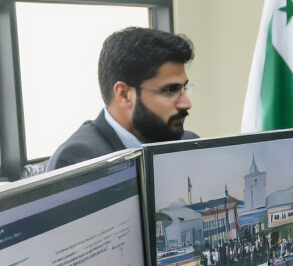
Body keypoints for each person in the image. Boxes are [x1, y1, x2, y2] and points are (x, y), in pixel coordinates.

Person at [47, 27, 196, 170]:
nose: (186, 103)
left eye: (184, 89)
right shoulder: (79, 161)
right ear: (124, 94)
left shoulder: (189, 144)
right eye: (170, 90)